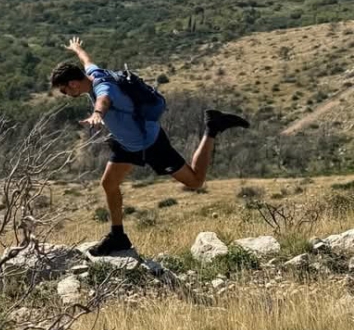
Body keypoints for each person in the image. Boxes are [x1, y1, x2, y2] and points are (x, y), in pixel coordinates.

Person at [51, 37, 250, 255]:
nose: (65, 94)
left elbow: (104, 100)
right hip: (126, 145)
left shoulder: (102, 87)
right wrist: (77, 48)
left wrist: (97, 114)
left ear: (73, 84)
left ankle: (213, 127)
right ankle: (118, 236)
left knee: (195, 181)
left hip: (150, 143)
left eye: (63, 90)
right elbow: (87, 60)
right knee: (109, 183)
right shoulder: (93, 74)